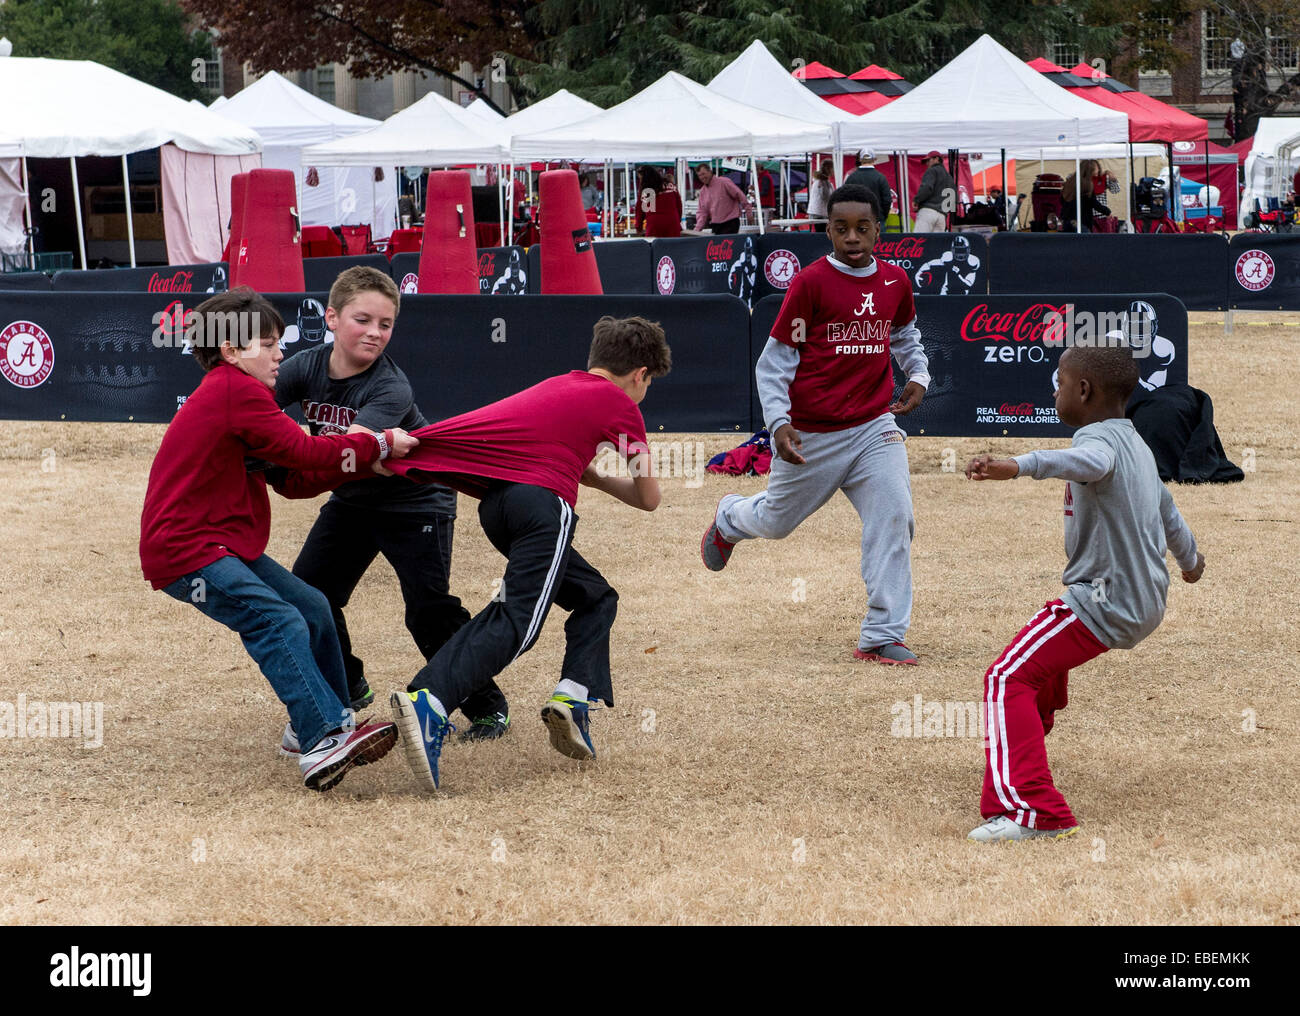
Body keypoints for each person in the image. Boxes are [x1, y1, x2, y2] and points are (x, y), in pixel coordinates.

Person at [139, 287, 416, 791]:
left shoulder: (236, 393)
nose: (279, 353)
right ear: (230, 351)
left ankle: (327, 722)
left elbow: (293, 478)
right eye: (267, 344)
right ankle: (321, 737)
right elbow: (306, 452)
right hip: (189, 550)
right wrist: (378, 441)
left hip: (219, 544)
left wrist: (360, 463)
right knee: (278, 619)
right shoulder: (235, 390)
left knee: (312, 605)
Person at [382, 316, 673, 791]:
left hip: (498, 508)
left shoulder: (557, 384)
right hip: (543, 507)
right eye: (648, 383)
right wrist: (596, 478)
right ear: (641, 373)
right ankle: (429, 702)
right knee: (520, 621)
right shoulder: (622, 406)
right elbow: (649, 498)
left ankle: (573, 698)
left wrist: (585, 470)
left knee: (597, 597)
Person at [963, 345, 1204, 842]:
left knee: (1006, 679)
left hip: (1103, 600)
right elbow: (1170, 513)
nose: (1055, 391)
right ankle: (1018, 761)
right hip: (1143, 601)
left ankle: (1036, 812)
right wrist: (1192, 564)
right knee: (1037, 679)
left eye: (1059, 383)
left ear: (1084, 390)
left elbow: (1084, 461)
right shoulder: (1138, 446)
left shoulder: (1099, 443)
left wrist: (1016, 464)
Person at [273, 266, 512, 745]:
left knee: (427, 613)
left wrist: (282, 458)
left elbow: (348, 453)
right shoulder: (304, 367)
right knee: (308, 596)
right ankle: (349, 685)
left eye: (386, 325)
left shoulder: (390, 386)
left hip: (416, 504)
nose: (375, 333)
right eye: (363, 320)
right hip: (355, 501)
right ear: (332, 318)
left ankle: (488, 708)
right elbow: (259, 417)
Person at [700, 184, 930, 665]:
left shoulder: (894, 282)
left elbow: (904, 333)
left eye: (862, 228)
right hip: (812, 435)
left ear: (878, 230)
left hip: (874, 426)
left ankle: (882, 634)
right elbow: (776, 362)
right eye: (841, 228)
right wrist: (779, 424)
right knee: (776, 522)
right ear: (826, 229)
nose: (852, 237)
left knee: (895, 516)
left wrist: (919, 374)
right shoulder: (810, 284)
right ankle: (729, 518)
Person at [693, 163, 753, 234]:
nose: (702, 177)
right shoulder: (703, 191)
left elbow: (740, 195)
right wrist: (697, 229)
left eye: (703, 174)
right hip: (715, 224)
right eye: (699, 175)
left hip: (730, 222)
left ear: (710, 171)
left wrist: (748, 212)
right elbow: (702, 212)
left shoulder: (724, 182)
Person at [844, 149, 892, 229]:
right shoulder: (881, 178)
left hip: (856, 219)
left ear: (860, 160)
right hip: (876, 219)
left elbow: (845, 199)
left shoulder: (851, 178)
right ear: (874, 159)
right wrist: (883, 216)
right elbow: (887, 200)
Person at [634, 165, 683, 238]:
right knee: (673, 247)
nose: (640, 181)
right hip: (672, 223)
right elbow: (679, 205)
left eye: (640, 178)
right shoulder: (670, 185)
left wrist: (639, 227)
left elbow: (640, 210)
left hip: (654, 225)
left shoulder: (647, 190)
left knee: (655, 247)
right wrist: (677, 221)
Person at [912, 150, 955, 232]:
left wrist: (916, 200)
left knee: (920, 241)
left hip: (928, 212)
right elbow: (954, 198)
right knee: (936, 244)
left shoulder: (932, 171)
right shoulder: (949, 177)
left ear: (937, 159)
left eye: (928, 160)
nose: (927, 163)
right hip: (942, 216)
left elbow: (927, 187)